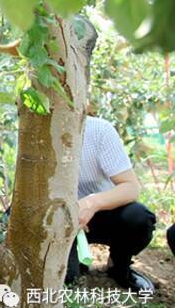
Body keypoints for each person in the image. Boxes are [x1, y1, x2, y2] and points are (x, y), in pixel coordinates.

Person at [64, 17, 156, 292]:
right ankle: (72, 261)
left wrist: (92, 203)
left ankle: (119, 265)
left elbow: (130, 188)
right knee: (68, 279)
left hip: (101, 215)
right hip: (60, 218)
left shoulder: (99, 131)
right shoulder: (34, 136)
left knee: (138, 218)